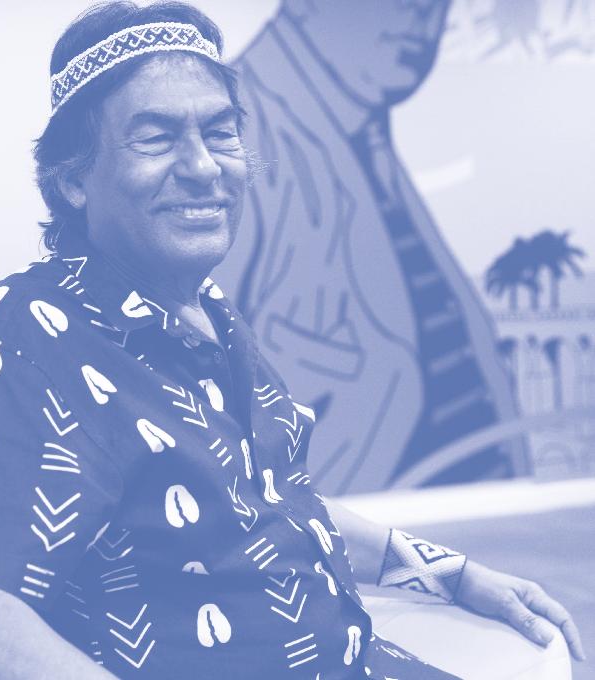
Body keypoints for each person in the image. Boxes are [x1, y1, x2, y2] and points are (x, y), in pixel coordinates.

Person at [0, 2, 583, 679]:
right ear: (73, 178)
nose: (203, 167)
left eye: (220, 133)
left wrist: (449, 573)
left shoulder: (204, 314)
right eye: (156, 138)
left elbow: (269, 507)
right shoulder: (14, 348)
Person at [217, 0, 529, 494]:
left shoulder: (361, 132)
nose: (422, 18)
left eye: (438, 4)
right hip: (347, 537)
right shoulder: (227, 135)